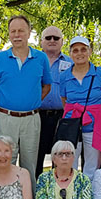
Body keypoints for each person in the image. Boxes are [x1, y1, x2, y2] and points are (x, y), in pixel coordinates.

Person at [0, 15, 52, 181]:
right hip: (6, 118)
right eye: (13, 31)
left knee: (30, 164)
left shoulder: (41, 58)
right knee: (5, 161)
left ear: (29, 33)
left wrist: (32, 100)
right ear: (8, 34)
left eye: (21, 31)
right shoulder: (0, 59)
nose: (16, 35)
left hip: (32, 118)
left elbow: (47, 86)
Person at [60, 35, 101, 177]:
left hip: (94, 126)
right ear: (70, 54)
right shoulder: (64, 76)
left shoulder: (99, 73)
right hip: (72, 126)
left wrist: (97, 118)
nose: (79, 53)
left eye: (83, 49)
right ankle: (72, 193)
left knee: (92, 165)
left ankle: (89, 195)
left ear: (89, 51)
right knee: (70, 161)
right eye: (75, 50)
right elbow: (65, 102)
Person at [37, 26, 71, 177]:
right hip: (37, 116)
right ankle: (35, 193)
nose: (52, 41)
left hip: (62, 117)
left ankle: (58, 192)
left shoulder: (71, 63)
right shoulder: (33, 61)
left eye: (56, 38)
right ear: (41, 42)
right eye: (48, 38)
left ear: (62, 42)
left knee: (60, 157)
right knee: (35, 157)